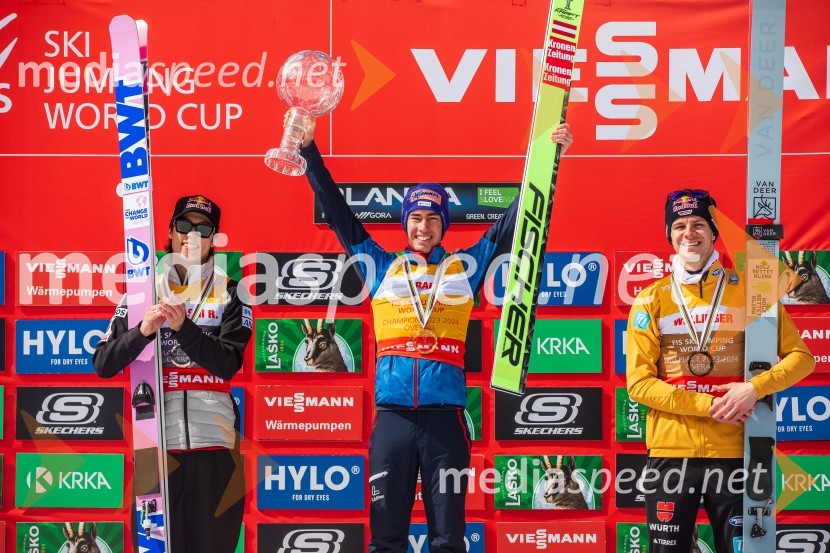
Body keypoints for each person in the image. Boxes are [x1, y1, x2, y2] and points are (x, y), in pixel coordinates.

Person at [298, 121, 572, 553]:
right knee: (386, 537)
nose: (423, 227)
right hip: (393, 420)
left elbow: (513, 222)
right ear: (405, 223)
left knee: (448, 538)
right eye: (415, 218)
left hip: (445, 421)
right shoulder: (378, 264)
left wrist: (548, 156)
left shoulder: (467, 265)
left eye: (431, 218)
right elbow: (336, 211)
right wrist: (309, 151)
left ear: (443, 224)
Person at [626, 189, 815, 553]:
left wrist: (754, 389)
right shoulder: (651, 297)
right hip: (671, 452)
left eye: (699, 224)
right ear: (670, 235)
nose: (689, 233)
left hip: (736, 451)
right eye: (679, 226)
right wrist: (707, 405)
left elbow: (801, 357)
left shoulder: (751, 291)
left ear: (713, 232)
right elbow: (639, 384)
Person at [93, 195, 252, 553]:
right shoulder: (140, 293)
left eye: (203, 228)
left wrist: (185, 329)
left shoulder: (231, 292)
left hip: (215, 447)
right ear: (170, 232)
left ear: (215, 238)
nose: (192, 235)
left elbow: (228, 363)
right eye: (184, 226)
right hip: (157, 447)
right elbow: (103, 362)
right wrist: (142, 332)